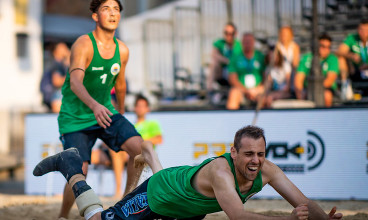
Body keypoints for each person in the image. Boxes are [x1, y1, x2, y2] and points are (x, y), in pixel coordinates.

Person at [34, 125, 343, 220]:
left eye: (261, 154)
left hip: (187, 210)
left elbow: (302, 201)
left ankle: (149, 158)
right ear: (233, 152)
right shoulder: (222, 172)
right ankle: (71, 167)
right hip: (160, 195)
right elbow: (239, 217)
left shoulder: (268, 170)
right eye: (248, 153)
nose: (255, 161)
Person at [56, 0, 161, 218]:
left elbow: (120, 84)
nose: (112, 13)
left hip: (105, 113)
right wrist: (94, 106)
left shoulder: (122, 49)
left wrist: (121, 113)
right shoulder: (83, 44)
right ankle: (63, 215)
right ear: (95, 16)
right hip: (75, 118)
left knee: (139, 151)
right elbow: (75, 83)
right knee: (79, 171)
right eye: (106, 9)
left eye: (116, 9)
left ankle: (123, 206)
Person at [336, 19, 368, 97]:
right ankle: (345, 85)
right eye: (361, 29)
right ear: (357, 30)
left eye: (366, 30)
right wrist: (351, 55)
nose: (363, 32)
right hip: (356, 70)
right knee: (341, 58)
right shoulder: (352, 37)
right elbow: (339, 52)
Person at [294, 33, 339, 107]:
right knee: (302, 95)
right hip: (308, 88)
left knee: (326, 95)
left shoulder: (332, 59)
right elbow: (298, 80)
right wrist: (301, 94)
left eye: (328, 47)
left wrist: (314, 91)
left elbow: (329, 80)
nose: (326, 49)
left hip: (325, 89)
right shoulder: (307, 58)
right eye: (323, 46)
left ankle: (326, 116)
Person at [226, 33, 267, 110]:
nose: (247, 44)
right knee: (233, 94)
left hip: (257, 89)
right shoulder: (235, 57)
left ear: (253, 42)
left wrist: (257, 89)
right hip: (241, 89)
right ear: (242, 43)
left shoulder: (260, 56)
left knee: (265, 98)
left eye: (249, 41)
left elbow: (266, 77)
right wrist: (246, 90)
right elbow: (232, 79)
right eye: (245, 42)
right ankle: (232, 120)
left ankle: (262, 120)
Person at [207, 22, 242, 103]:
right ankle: (209, 91)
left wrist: (231, 63)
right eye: (226, 33)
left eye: (231, 33)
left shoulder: (239, 45)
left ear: (235, 34)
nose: (228, 36)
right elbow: (214, 55)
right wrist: (228, 61)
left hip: (234, 73)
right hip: (223, 71)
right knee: (214, 64)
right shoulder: (220, 43)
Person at [40, 42, 70, 113]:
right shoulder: (56, 64)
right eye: (64, 49)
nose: (67, 50)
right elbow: (57, 81)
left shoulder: (61, 64)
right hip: (56, 96)